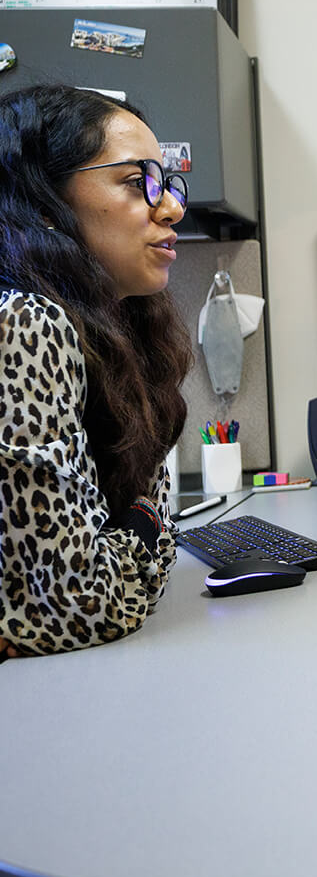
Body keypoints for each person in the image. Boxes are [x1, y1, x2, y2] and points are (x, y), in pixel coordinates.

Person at [0, 84, 192, 658]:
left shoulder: (126, 326)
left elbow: (148, 545)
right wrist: (136, 541)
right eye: (139, 183)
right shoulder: (24, 324)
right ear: (43, 204)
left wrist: (127, 546)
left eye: (167, 182)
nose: (173, 207)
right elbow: (84, 605)